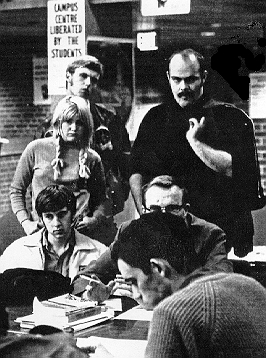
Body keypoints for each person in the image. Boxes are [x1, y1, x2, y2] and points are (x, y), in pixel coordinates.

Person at [129, 48, 265, 257]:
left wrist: (196, 143)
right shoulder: (155, 119)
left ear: (204, 77)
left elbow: (236, 169)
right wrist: (145, 213)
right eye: (176, 80)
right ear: (168, 78)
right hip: (168, 230)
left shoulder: (233, 118)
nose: (183, 87)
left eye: (191, 79)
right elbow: (136, 170)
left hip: (221, 230)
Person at [112, 216, 266, 358]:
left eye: (133, 281)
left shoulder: (171, 312)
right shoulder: (249, 286)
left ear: (158, 268)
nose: (135, 293)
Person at [72, 175, 232, 302]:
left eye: (172, 209)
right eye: (154, 209)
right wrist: (96, 292)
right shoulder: (129, 231)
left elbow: (222, 283)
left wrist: (156, 290)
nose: (162, 217)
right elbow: (83, 279)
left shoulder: (209, 234)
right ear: (144, 210)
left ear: (185, 210)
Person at [35, 55, 131, 216]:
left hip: (101, 210)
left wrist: (114, 199)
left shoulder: (109, 121)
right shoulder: (48, 127)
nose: (88, 84)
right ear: (68, 76)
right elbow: (35, 173)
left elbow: (126, 163)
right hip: (59, 211)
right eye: (83, 76)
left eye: (94, 80)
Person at [10, 96, 112, 245]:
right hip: (41, 232)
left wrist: (95, 219)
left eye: (80, 123)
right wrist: (26, 222)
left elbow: (102, 199)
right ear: (58, 123)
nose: (73, 127)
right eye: (68, 121)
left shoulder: (92, 158)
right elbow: (16, 190)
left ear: (87, 127)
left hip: (78, 235)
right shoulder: (36, 149)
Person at [1, 185, 107, 280]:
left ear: (73, 214)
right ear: (41, 219)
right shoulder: (16, 251)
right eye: (49, 216)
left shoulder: (99, 252)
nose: (56, 223)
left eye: (62, 215)